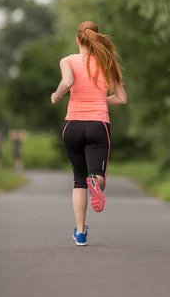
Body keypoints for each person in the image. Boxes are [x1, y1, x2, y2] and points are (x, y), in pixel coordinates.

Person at [51, 20, 127, 246]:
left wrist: (56, 96)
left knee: (78, 180)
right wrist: (99, 100)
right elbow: (122, 98)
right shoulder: (107, 62)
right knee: (97, 177)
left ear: (77, 39)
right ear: (97, 38)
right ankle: (96, 181)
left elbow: (68, 81)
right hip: (97, 125)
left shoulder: (67, 60)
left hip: (72, 125)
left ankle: (81, 232)